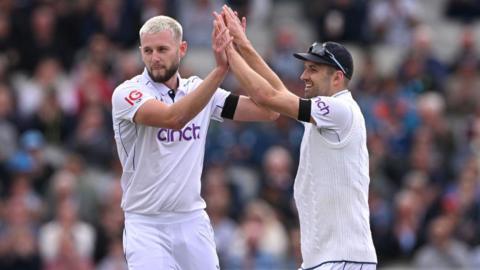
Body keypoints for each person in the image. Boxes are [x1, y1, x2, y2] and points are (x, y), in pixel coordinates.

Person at [111, 15, 278, 269]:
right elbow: (174, 117)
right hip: (146, 224)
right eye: (148, 50)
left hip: (191, 220)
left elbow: (269, 109)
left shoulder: (197, 90)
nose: (155, 57)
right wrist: (221, 70)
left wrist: (240, 49)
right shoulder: (127, 93)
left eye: (163, 49)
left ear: (182, 49)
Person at [217, 6, 377, 270]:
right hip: (326, 259)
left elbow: (268, 97)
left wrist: (230, 53)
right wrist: (243, 44)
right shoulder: (324, 113)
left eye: (313, 69)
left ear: (337, 77)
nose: (303, 76)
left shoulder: (340, 110)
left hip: (344, 258)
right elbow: (277, 90)